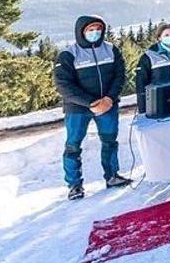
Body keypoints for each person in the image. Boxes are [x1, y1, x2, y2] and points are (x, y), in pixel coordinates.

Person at [53, 15, 130, 200]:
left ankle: (112, 175)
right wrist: (91, 103)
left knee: (110, 141)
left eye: (98, 29)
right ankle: (74, 185)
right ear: (81, 32)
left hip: (108, 105)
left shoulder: (111, 50)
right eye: (90, 30)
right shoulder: (69, 54)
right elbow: (63, 85)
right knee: (73, 145)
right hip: (78, 108)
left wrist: (110, 98)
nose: (95, 33)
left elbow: (120, 75)